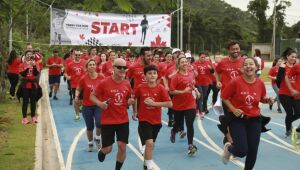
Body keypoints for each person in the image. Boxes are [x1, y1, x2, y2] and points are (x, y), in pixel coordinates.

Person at [221, 57, 273, 170]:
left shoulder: (260, 83)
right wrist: (233, 109)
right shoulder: (235, 82)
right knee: (241, 151)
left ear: (257, 67)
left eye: (251, 64)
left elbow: (261, 98)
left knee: (253, 151)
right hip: (238, 120)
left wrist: (267, 100)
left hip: (255, 120)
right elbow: (224, 97)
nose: (248, 66)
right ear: (242, 68)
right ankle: (229, 148)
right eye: (245, 65)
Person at [90, 58, 134, 170]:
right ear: (113, 68)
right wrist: (100, 104)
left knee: (122, 146)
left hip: (123, 120)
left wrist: (130, 102)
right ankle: (103, 151)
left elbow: (128, 98)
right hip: (108, 121)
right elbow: (92, 96)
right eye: (119, 67)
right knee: (108, 149)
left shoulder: (127, 83)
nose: (122, 69)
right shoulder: (104, 82)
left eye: (124, 67)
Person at [132, 64, 172, 170]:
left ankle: (146, 164)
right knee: (149, 143)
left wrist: (154, 104)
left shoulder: (161, 88)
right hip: (144, 119)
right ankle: (150, 167)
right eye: (149, 73)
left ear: (157, 75)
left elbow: (169, 104)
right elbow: (134, 98)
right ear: (145, 76)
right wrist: (135, 111)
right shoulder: (140, 87)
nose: (152, 75)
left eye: (154, 73)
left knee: (151, 145)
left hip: (156, 121)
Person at [169, 56, 200, 156]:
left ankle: (190, 145)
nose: (184, 63)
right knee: (178, 123)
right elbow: (171, 91)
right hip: (178, 104)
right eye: (182, 62)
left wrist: (196, 90)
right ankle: (174, 131)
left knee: (190, 124)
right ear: (178, 64)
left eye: (185, 62)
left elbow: (192, 85)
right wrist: (183, 91)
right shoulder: (175, 77)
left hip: (190, 103)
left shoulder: (191, 74)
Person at [215, 40, 244, 144]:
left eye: (237, 49)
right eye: (233, 49)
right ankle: (229, 137)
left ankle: (229, 134)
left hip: (240, 96)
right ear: (228, 50)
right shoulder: (223, 62)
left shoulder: (244, 62)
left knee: (237, 118)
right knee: (229, 117)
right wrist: (218, 81)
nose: (235, 51)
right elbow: (217, 72)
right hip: (226, 96)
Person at [76, 59, 104, 152]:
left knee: (99, 123)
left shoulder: (101, 77)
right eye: (90, 65)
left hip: (98, 105)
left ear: (96, 66)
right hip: (87, 105)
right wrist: (76, 96)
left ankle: (98, 138)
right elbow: (78, 88)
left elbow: (106, 88)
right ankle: (90, 143)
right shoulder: (84, 78)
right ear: (87, 67)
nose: (92, 66)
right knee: (90, 126)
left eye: (93, 64)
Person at [278, 48, 299, 137]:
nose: (293, 58)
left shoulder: (297, 66)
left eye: (295, 57)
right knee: (289, 113)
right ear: (287, 57)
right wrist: (285, 88)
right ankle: (288, 130)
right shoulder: (283, 66)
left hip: (295, 94)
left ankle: (292, 125)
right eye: (292, 57)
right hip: (284, 94)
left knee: (298, 113)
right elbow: (278, 81)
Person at [19, 50, 40, 124]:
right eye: (27, 54)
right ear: (25, 56)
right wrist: (28, 67)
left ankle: (33, 117)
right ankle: (24, 118)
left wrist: (33, 66)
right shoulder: (22, 64)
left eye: (30, 55)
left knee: (33, 101)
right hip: (25, 85)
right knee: (25, 101)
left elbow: (36, 73)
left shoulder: (36, 64)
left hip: (33, 85)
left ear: (32, 56)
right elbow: (23, 74)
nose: (29, 56)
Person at [64, 49, 86, 120]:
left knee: (82, 100)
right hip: (74, 85)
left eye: (79, 55)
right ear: (73, 55)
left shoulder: (84, 62)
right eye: (76, 55)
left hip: (83, 85)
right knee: (76, 100)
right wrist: (67, 77)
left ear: (81, 55)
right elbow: (65, 73)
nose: (77, 56)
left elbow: (88, 71)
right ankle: (77, 115)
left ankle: (81, 106)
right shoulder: (70, 64)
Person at [285, 56, 300, 133]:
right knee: (298, 114)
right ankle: (288, 124)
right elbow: (287, 77)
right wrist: (291, 89)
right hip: (297, 96)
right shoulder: (297, 66)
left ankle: (298, 129)